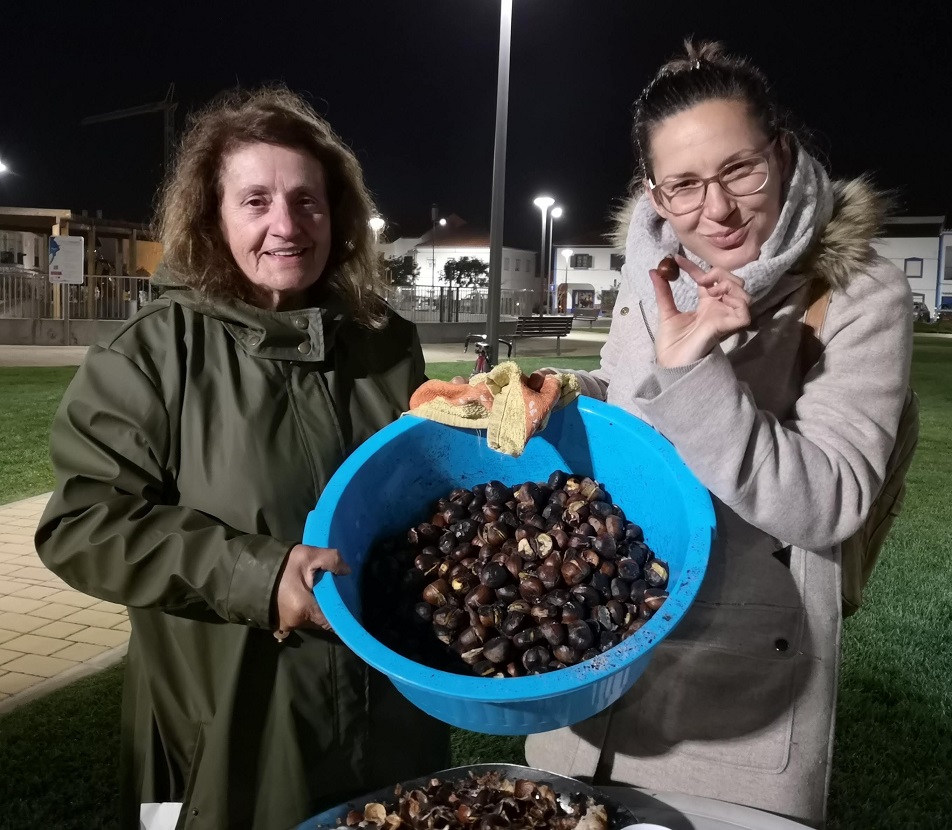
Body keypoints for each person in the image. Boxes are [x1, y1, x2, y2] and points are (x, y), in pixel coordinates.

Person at [35, 87, 450, 830]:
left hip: (393, 726)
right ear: (212, 218)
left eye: (307, 201)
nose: (285, 225)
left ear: (339, 215)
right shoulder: (153, 354)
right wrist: (259, 574)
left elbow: (430, 494)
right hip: (233, 742)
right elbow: (82, 523)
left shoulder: (388, 344)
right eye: (256, 200)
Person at [525, 40, 912, 827]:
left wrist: (698, 373)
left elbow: (831, 499)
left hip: (738, 713)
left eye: (741, 170)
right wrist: (562, 393)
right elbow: (631, 402)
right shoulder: (649, 271)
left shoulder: (858, 289)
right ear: (655, 196)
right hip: (590, 669)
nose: (720, 210)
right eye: (686, 186)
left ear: (783, 150)